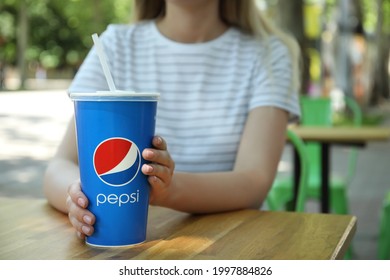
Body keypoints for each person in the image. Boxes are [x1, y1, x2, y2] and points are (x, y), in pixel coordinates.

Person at [43, 0, 301, 240]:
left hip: (235, 240)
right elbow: (60, 165)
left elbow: (254, 182)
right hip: (128, 245)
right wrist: (77, 196)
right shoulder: (115, 45)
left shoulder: (269, 53)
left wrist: (168, 189)